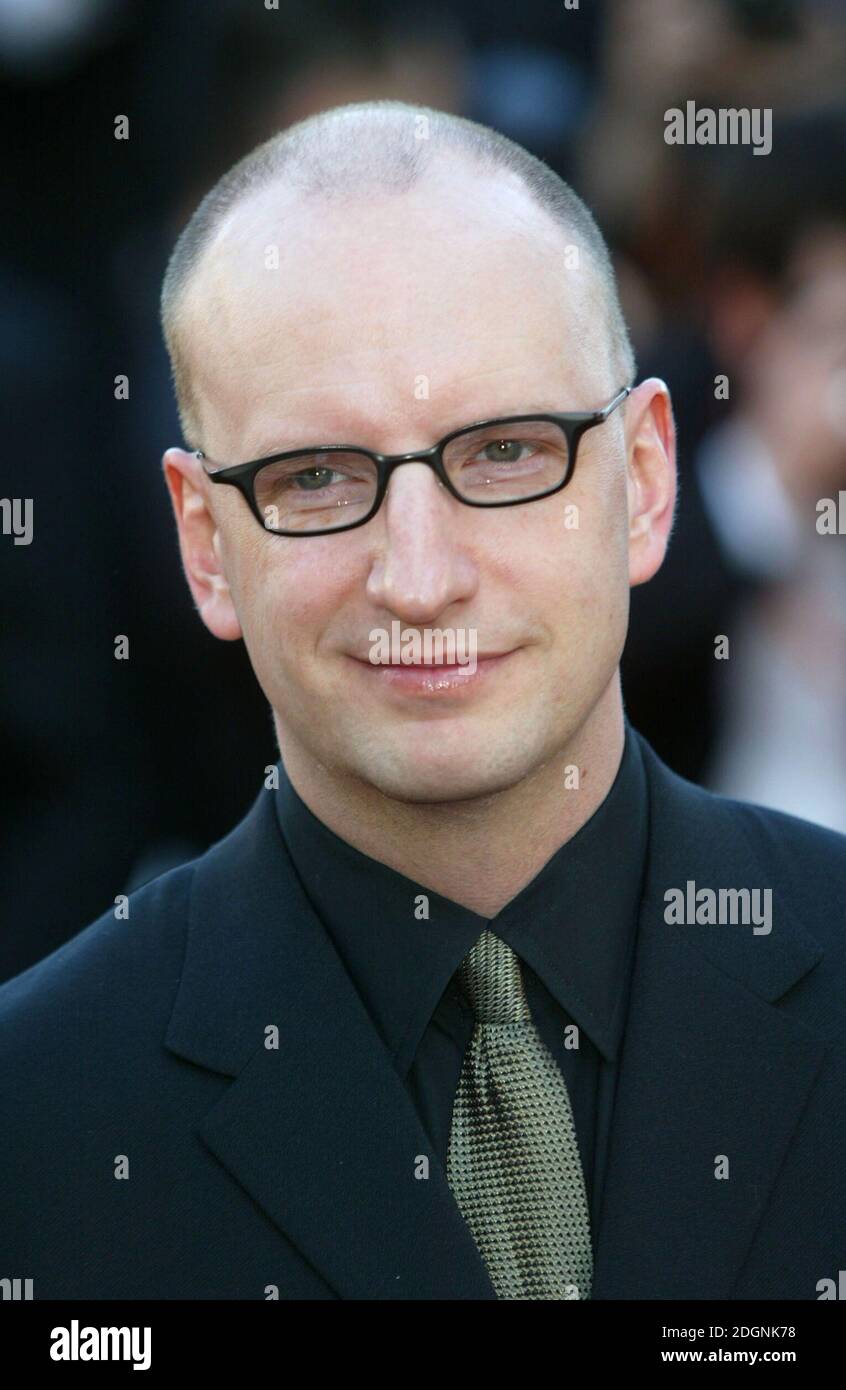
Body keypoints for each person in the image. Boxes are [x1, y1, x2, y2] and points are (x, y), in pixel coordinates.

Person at [2, 101, 844, 1301]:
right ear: (204, 544)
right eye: (317, 477)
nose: (421, 575)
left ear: (646, 482)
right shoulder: (34, 1125)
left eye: (504, 452)